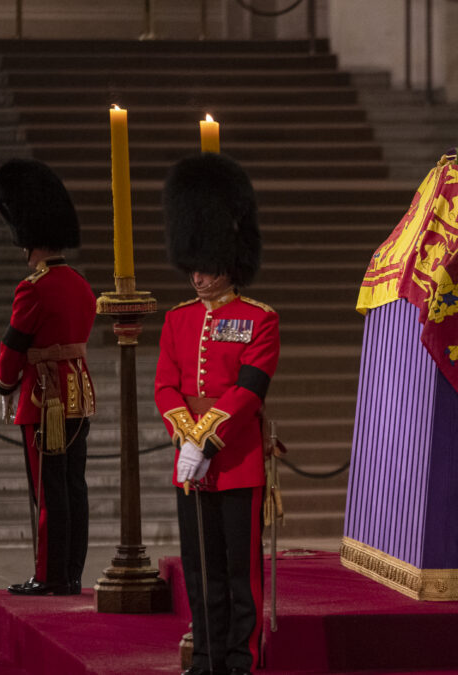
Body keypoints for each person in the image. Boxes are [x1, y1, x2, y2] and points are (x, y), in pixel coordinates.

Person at [155, 153, 279, 675]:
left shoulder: (259, 320)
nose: (198, 278)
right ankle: (205, 659)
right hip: (191, 467)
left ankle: (239, 661)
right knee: (201, 570)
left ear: (230, 261)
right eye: (194, 268)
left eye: (207, 268)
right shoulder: (177, 320)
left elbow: (249, 391)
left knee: (238, 574)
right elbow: (165, 385)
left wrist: (204, 441)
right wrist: (185, 438)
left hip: (237, 462)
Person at [0, 159, 96, 596]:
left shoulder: (32, 287)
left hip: (44, 399)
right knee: (73, 485)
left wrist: (4, 384)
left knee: (48, 492)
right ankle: (71, 571)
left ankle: (49, 574)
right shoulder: (79, 283)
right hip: (78, 394)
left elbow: (13, 347)